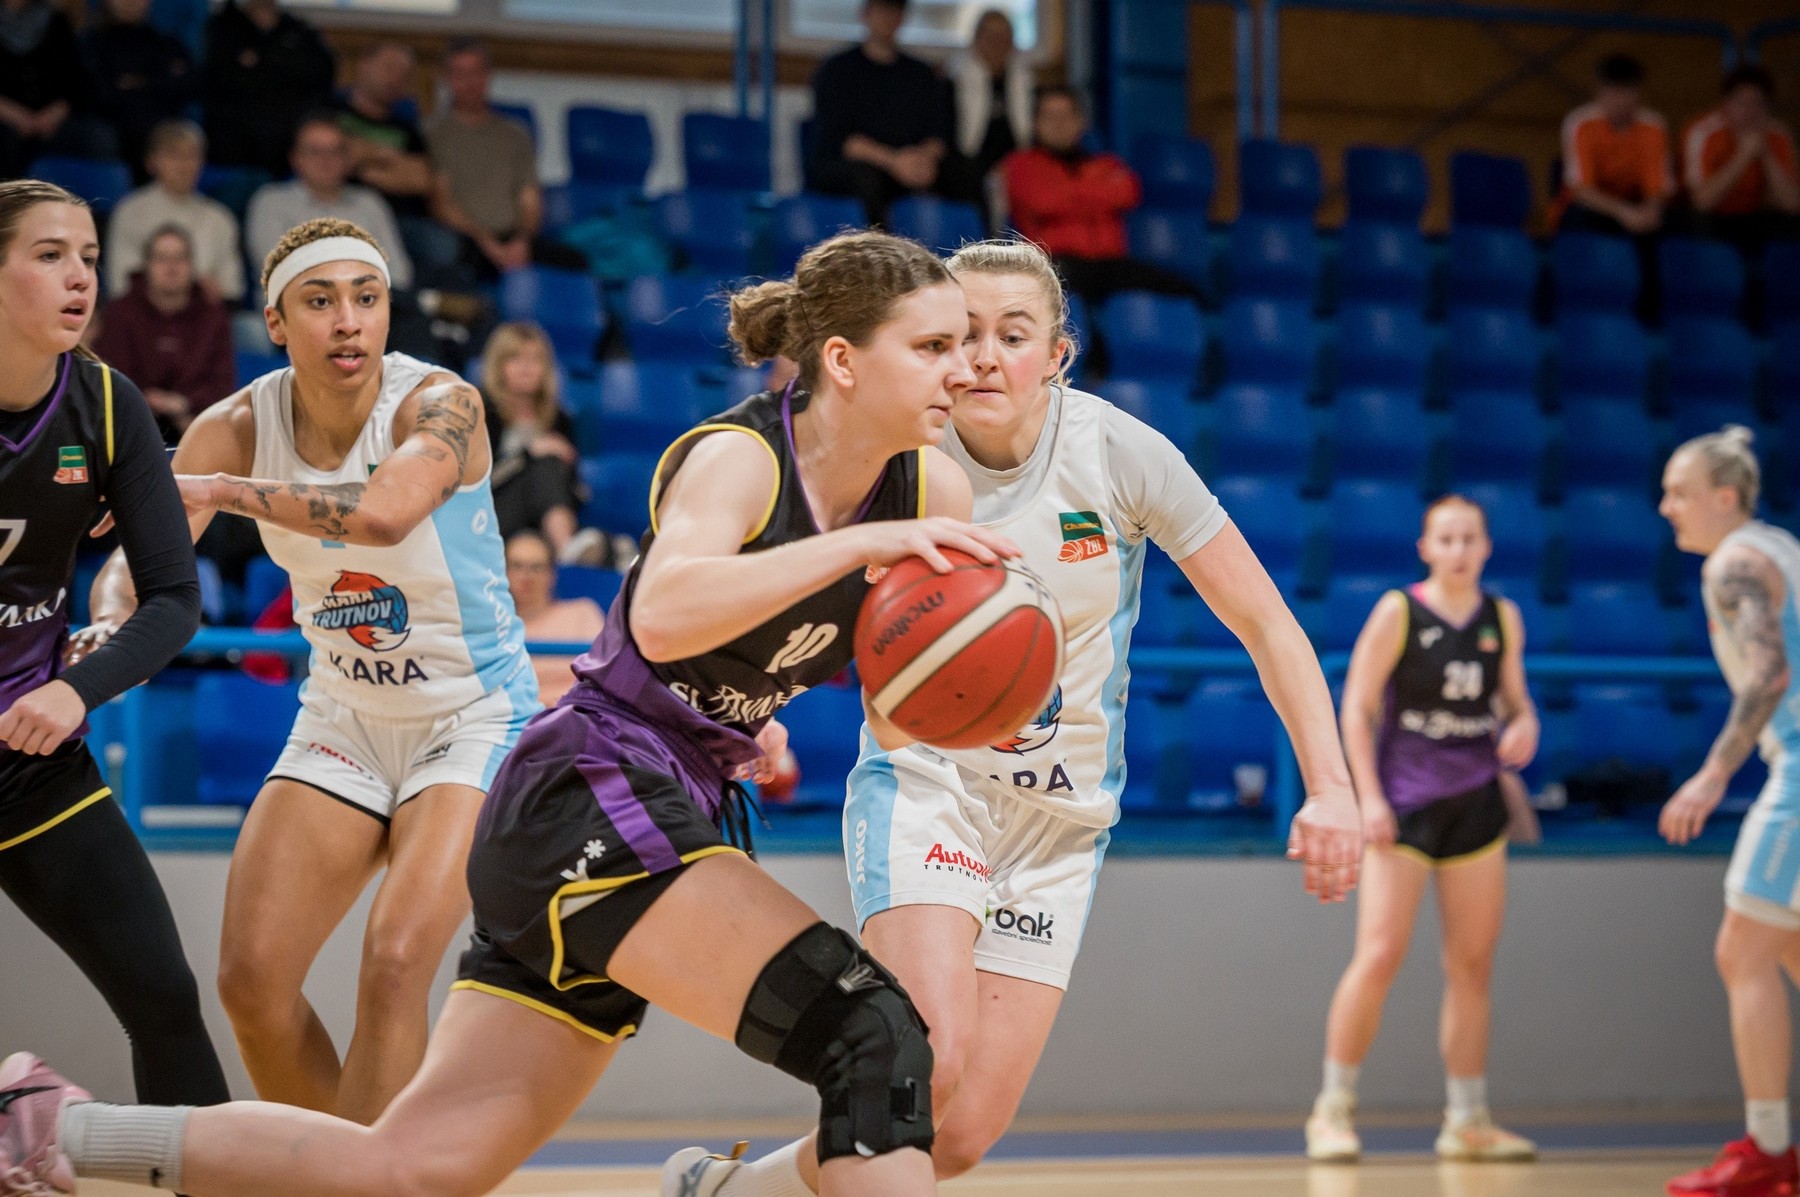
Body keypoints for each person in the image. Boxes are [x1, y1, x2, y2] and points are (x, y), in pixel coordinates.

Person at [0, 228, 1012, 1197]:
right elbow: (661, 612)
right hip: (590, 783)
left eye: (966, 345)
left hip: (588, 774)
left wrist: (925, 704)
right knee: (870, 1033)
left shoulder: (931, 489)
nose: (963, 368)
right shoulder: (742, 459)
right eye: (933, 346)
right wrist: (858, 551)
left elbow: (896, 701)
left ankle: (51, 1127)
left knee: (410, 1167)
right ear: (842, 360)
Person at [665, 237, 1365, 1196]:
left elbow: (1268, 623)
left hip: (1060, 822)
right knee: (927, 1061)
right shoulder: (904, 456)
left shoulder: (1119, 452)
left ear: (1058, 354)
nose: (985, 357)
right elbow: (788, 590)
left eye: (1014, 334)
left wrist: (1330, 787)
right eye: (964, 335)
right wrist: (759, 709)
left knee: (959, 1134)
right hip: (929, 781)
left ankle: (720, 1191)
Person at [83, 216, 537, 1126]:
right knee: (251, 981)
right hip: (343, 716)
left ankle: (368, 1181)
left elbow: (385, 513)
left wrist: (220, 491)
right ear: (276, 321)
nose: (348, 321)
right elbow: (144, 556)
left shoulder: (439, 403)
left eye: (367, 298)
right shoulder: (236, 424)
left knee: (396, 961)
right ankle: (347, 1173)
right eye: (320, 301)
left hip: (472, 715)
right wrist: (109, 623)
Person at [0, 179, 229, 1111]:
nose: (79, 277)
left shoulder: (105, 404)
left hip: (32, 760)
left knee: (165, 998)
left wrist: (77, 689)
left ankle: (207, 1174)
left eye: (90, 258)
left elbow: (175, 598)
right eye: (50, 254)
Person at [1305, 496, 1540, 1165]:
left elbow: (1515, 701)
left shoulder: (1502, 616)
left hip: (1476, 806)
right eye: (1447, 538)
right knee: (1379, 954)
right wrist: (1367, 797)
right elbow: (1356, 707)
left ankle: (1467, 1119)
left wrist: (1525, 723)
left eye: (1470, 538)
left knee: (1471, 966)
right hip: (1404, 807)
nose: (1459, 549)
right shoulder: (1398, 611)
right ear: (1426, 547)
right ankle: (1332, 1109)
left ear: (1486, 547)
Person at [1657, 428, 1800, 1197]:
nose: (1665, 506)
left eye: (1679, 492)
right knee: (1787, 948)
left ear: (1725, 495)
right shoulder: (1779, 545)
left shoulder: (1735, 562)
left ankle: (1769, 1152)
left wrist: (1714, 773)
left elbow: (1770, 673)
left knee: (1741, 950)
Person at [1002, 87, 1200, 307]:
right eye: (1050, 116)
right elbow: (1043, 202)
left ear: (1081, 122)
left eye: (1066, 115)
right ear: (1035, 123)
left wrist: (1068, 193)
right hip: (1053, 263)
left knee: (1183, 291)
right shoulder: (1020, 165)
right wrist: (1097, 194)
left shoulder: (1107, 163)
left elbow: (1128, 193)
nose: (1059, 124)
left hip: (1109, 264)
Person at [427, 38, 585, 282]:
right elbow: (442, 204)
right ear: (447, 78)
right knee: (448, 257)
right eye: (460, 74)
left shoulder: (515, 134)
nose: (469, 82)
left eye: (476, 72)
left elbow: (530, 200)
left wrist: (521, 241)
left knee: (575, 261)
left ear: (487, 76)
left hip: (513, 238)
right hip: (464, 239)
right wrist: (486, 241)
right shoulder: (432, 133)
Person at [808, 0, 952, 227]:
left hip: (912, 163)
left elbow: (939, 132)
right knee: (866, 178)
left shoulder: (921, 73)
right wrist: (894, 162)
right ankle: (879, 247)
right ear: (865, 14)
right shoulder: (836, 70)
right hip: (859, 165)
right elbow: (839, 140)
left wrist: (924, 160)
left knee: (964, 171)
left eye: (895, 11)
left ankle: (980, 244)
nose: (888, 18)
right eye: (882, 10)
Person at [92, 224, 235, 444]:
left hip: (198, 423)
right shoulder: (120, 313)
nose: (171, 267)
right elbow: (110, 380)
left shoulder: (213, 315)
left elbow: (222, 385)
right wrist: (151, 402)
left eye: (180, 258)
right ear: (147, 265)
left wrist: (185, 404)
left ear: (192, 265)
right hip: (132, 425)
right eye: (162, 258)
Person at [247, 114, 414, 294]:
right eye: (315, 152)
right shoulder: (271, 202)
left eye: (336, 151)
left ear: (348, 159)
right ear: (295, 159)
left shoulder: (369, 203)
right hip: (297, 307)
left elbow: (398, 273)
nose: (326, 160)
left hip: (367, 306)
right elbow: (279, 275)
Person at [478, 321, 599, 562]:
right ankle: (567, 551)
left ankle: (570, 550)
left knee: (549, 465)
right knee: (544, 462)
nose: (526, 368)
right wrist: (528, 454)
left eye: (535, 360)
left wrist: (570, 475)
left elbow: (573, 489)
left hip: (541, 518)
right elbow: (479, 482)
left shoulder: (559, 419)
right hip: (490, 512)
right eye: (515, 359)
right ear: (498, 366)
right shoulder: (483, 413)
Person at [105, 119, 245, 303]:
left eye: (191, 155)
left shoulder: (220, 218)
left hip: (204, 314)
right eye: (173, 155)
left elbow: (232, 288)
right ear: (151, 161)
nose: (184, 164)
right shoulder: (130, 212)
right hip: (143, 314)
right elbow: (120, 284)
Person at [202, 0, 335, 178]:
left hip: (288, 155)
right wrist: (281, 65)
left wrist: (260, 61)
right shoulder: (221, 28)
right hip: (233, 156)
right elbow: (224, 80)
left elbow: (320, 74)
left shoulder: (299, 30)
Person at [1551, 53, 1673, 238]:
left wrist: (1651, 212)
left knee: (1670, 223)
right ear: (1600, 92)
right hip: (1592, 207)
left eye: (1627, 92)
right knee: (1579, 218)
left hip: (1634, 204)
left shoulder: (1653, 126)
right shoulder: (1581, 123)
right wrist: (1623, 212)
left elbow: (1657, 185)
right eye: (1614, 93)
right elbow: (1582, 189)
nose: (1620, 101)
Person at [1681, 66, 1800, 254]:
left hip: (1753, 216)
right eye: (1741, 103)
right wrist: (1743, 155)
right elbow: (1701, 201)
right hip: (1713, 217)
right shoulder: (1703, 132)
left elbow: (1792, 204)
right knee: (1694, 221)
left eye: (1758, 103)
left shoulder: (1778, 135)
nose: (1749, 111)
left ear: (1768, 107)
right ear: (1726, 103)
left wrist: (1765, 153)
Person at [79, 0, 198, 182]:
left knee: (179, 135)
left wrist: (137, 83)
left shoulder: (165, 41)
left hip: (157, 123)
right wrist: (151, 83)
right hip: (111, 125)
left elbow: (187, 84)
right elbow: (98, 92)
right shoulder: (91, 42)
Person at [0, 0, 115, 180]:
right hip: (7, 120)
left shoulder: (55, 21)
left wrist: (56, 113)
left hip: (55, 120)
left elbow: (77, 78)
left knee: (100, 138)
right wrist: (16, 117)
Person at [942, 10, 1033, 225]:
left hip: (1015, 161)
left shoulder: (1025, 81)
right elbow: (953, 137)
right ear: (976, 39)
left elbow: (1029, 137)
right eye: (990, 35)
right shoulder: (955, 78)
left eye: (1003, 36)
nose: (996, 43)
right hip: (970, 162)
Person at [504, 529, 603, 706]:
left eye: (536, 567)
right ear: (503, 573)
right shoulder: (495, 629)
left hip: (579, 712)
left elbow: (605, 675)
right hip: (519, 717)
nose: (526, 577)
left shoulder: (583, 613)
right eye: (517, 566)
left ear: (551, 574)